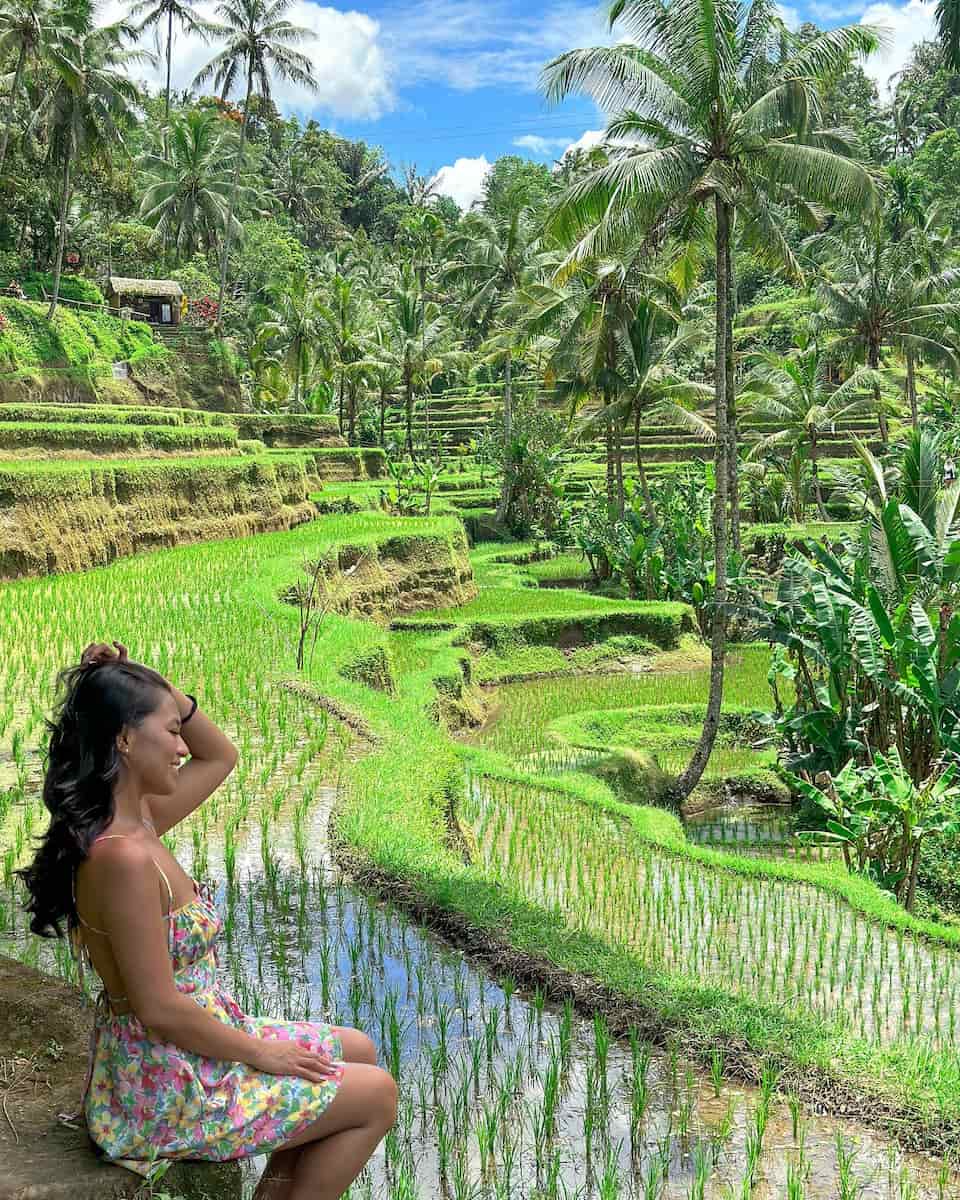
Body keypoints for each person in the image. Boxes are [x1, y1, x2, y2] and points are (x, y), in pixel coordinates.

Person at [16, 640, 397, 1200]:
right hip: (162, 1081)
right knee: (377, 1094)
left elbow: (220, 756)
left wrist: (155, 686)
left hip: (193, 1048)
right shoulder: (119, 855)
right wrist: (265, 1054)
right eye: (170, 732)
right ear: (124, 738)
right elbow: (158, 1008)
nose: (180, 746)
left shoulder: (139, 820)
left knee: (356, 1049)